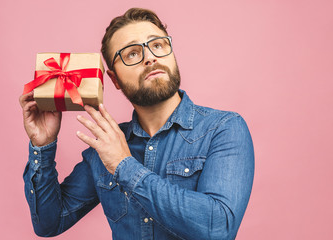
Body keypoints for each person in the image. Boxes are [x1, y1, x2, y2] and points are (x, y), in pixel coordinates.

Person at [19, 8, 254, 240]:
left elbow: (219, 229)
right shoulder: (105, 146)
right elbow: (49, 223)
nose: (150, 57)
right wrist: (43, 145)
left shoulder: (224, 128)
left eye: (158, 45)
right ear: (115, 80)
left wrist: (124, 166)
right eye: (132, 53)